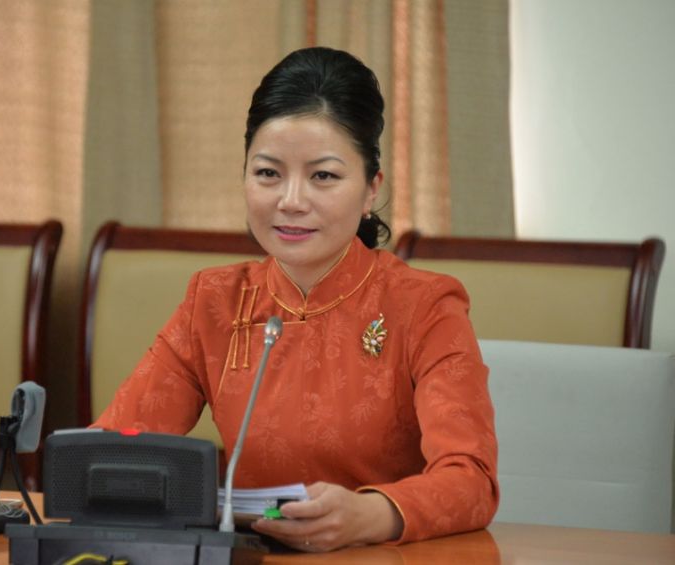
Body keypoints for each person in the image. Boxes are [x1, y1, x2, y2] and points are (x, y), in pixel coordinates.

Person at [92, 46, 499, 551]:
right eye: (268, 173)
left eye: (323, 176)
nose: (290, 201)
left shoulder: (425, 306)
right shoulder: (214, 302)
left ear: (370, 190)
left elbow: (471, 481)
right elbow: (108, 456)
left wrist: (370, 515)